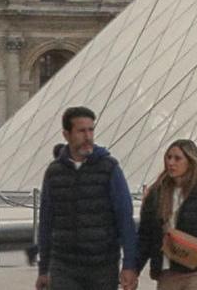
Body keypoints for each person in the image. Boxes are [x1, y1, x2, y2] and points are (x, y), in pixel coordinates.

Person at [37, 106, 138, 290]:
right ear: (66, 134)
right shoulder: (54, 172)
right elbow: (46, 221)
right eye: (81, 131)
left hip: (102, 265)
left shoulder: (109, 168)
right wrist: (43, 269)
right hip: (64, 265)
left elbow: (124, 217)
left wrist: (129, 265)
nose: (88, 136)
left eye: (91, 130)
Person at [132, 139, 197, 290]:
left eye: (177, 158)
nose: (171, 162)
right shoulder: (157, 193)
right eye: (168, 157)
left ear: (190, 161)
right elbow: (145, 236)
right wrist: (133, 269)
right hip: (167, 273)